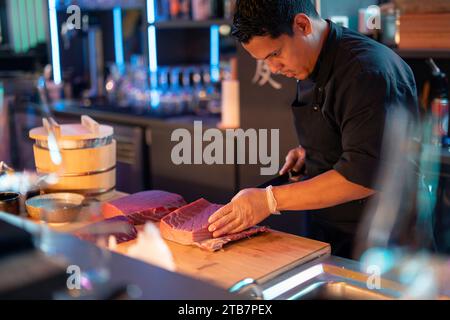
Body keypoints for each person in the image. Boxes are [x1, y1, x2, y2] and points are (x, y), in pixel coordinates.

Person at [207, 0, 419, 258]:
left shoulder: (367, 71)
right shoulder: (308, 60)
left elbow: (365, 175)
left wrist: (269, 200)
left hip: (380, 239)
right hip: (330, 231)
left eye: (275, 54)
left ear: (302, 24)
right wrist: (316, 149)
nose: (273, 69)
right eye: (264, 61)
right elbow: (352, 129)